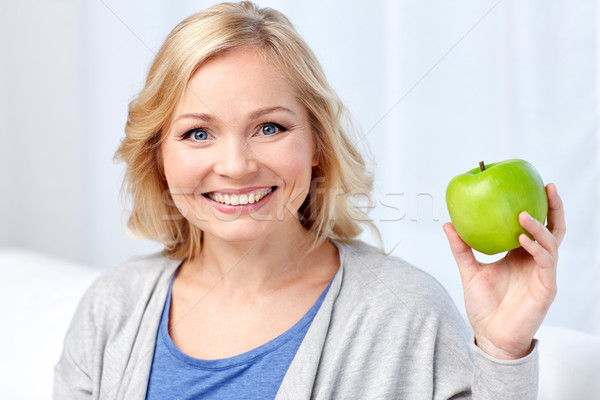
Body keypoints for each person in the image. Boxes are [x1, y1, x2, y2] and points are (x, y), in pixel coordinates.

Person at [53, 2, 566, 399]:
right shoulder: (112, 307)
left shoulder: (405, 312)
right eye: (197, 134)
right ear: (158, 156)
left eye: (269, 127)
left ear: (317, 144)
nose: (236, 164)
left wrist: (502, 351)